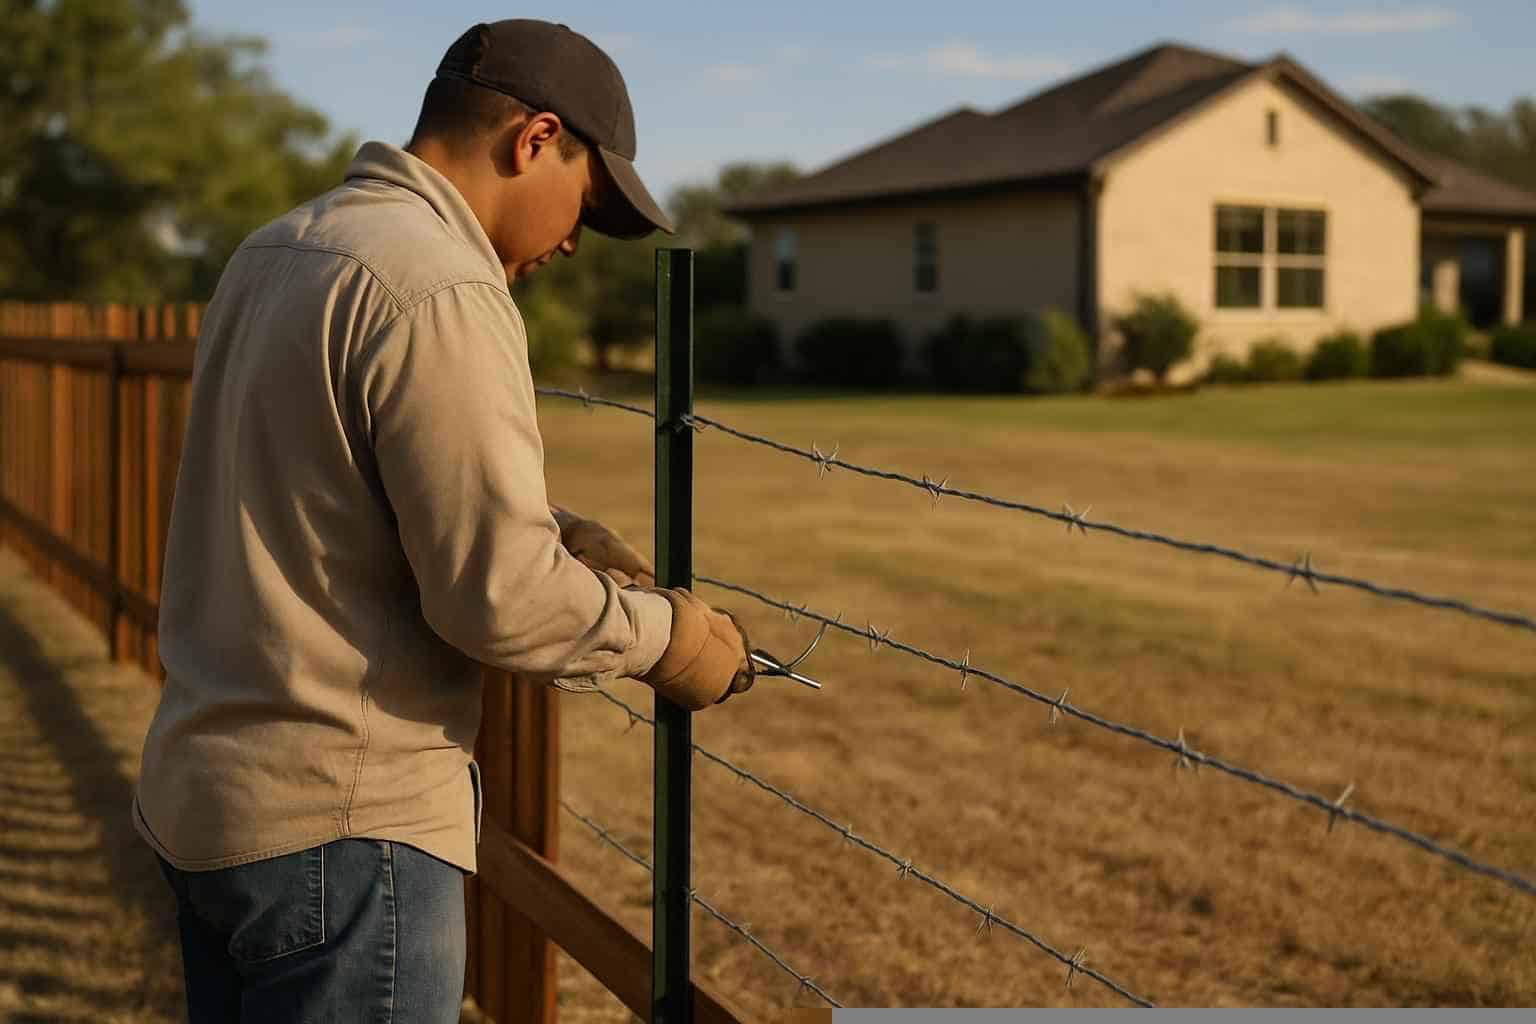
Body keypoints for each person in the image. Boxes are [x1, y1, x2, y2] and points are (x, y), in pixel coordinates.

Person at [132, 19, 754, 1023]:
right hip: (342, 836)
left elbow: (323, 468)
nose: (567, 242)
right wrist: (670, 637)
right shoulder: (443, 286)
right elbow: (497, 599)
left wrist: (547, 521)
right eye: (585, 208)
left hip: (206, 808)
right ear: (535, 138)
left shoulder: (277, 249)